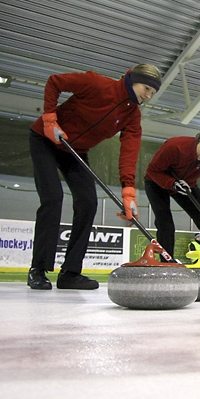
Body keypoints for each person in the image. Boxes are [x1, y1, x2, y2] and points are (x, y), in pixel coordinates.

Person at [27, 64, 162, 290]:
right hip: (45, 139)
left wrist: (128, 192)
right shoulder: (97, 84)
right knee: (53, 198)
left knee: (88, 203)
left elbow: (129, 153)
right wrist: (50, 119)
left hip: (75, 151)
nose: (148, 96)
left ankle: (70, 272)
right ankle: (38, 269)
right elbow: (55, 82)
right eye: (147, 88)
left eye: (152, 93)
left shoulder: (132, 116)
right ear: (133, 80)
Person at [145, 127, 200, 268]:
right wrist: (172, 183)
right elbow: (152, 171)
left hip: (186, 186)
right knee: (165, 224)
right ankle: (167, 265)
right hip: (157, 182)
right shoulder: (175, 146)